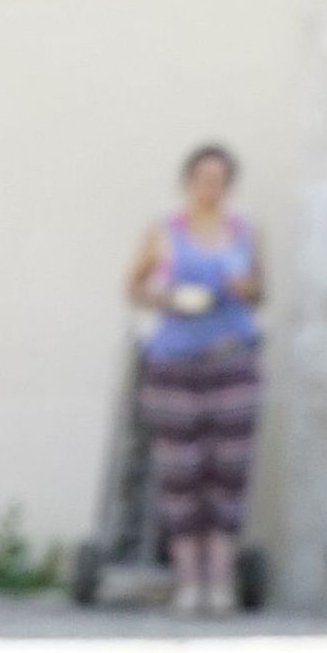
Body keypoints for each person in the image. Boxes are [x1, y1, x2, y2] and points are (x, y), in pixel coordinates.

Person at [125, 144, 266, 615]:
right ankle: (190, 582)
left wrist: (245, 289)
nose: (211, 187)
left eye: (220, 179)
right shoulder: (164, 231)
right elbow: (134, 287)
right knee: (181, 472)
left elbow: (261, 291)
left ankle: (220, 580)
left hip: (231, 357)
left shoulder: (244, 232)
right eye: (203, 178)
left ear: (229, 184)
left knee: (229, 470)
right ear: (189, 181)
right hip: (174, 362)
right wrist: (166, 296)